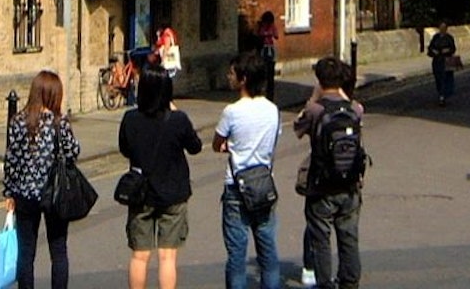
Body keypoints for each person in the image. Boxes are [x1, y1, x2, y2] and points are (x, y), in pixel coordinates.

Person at [119, 66, 203, 289]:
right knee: (167, 257)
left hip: (141, 193)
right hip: (174, 193)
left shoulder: (130, 119)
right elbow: (195, 147)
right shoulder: (178, 120)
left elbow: (125, 149)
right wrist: (175, 110)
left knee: (139, 256)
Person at [3, 69, 82, 289]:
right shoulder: (59, 123)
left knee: (26, 253)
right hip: (55, 193)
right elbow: (73, 152)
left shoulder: (18, 121)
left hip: (25, 194)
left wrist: (8, 192)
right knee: (58, 251)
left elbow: (11, 160)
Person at [213, 52, 282, 289]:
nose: (228, 76)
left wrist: (229, 146)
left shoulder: (232, 111)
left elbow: (216, 143)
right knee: (268, 250)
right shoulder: (272, 109)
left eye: (232, 72)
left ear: (243, 79)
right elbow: (273, 141)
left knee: (236, 254)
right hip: (264, 184)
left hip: (236, 187)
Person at [294, 56, 364, 289]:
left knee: (321, 239)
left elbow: (298, 127)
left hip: (321, 184)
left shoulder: (315, 109)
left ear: (319, 80)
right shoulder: (355, 109)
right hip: (350, 184)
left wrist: (314, 97)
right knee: (348, 237)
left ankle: (325, 283)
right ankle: (350, 282)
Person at [426, 21, 459, 107]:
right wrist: (434, 51)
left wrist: (447, 50)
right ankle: (441, 93)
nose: (442, 29)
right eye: (441, 27)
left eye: (444, 27)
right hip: (437, 61)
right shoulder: (435, 37)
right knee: (438, 79)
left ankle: (442, 96)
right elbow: (430, 48)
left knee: (445, 79)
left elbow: (453, 49)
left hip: (446, 61)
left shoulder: (449, 38)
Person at [256, 11, 280, 101]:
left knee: (270, 73)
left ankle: (270, 95)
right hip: (263, 49)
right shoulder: (261, 26)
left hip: (270, 49)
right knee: (263, 71)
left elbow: (276, 35)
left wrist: (270, 33)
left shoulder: (272, 26)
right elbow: (259, 34)